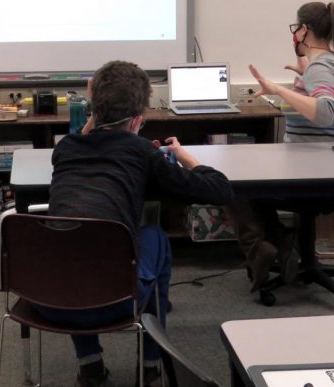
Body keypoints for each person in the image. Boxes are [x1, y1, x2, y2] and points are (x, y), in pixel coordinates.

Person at [38, 60, 233, 387]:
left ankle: (90, 365)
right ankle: (151, 363)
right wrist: (185, 157)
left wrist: (95, 116)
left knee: (72, 245)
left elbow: (88, 139)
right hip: (116, 301)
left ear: (93, 109)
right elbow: (221, 190)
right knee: (154, 235)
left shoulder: (65, 150)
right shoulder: (143, 153)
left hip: (51, 300)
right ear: (139, 121)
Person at [229, 1, 334, 291]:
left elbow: (326, 112)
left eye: (295, 28)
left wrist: (279, 89)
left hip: (312, 177)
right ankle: (284, 243)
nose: (294, 35)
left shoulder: (322, 66)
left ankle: (273, 244)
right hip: (323, 171)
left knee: (231, 184)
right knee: (245, 175)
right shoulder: (331, 62)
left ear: (304, 30)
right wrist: (304, 77)